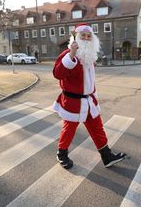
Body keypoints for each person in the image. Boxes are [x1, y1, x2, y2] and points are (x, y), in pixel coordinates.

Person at [52, 23, 126, 169]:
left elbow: (88, 80)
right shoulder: (67, 55)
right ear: (76, 38)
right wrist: (71, 55)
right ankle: (62, 154)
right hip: (73, 101)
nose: (86, 38)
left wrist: (94, 95)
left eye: (88, 36)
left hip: (89, 100)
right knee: (69, 130)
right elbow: (57, 74)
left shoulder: (90, 57)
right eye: (83, 36)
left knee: (97, 128)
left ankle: (107, 156)